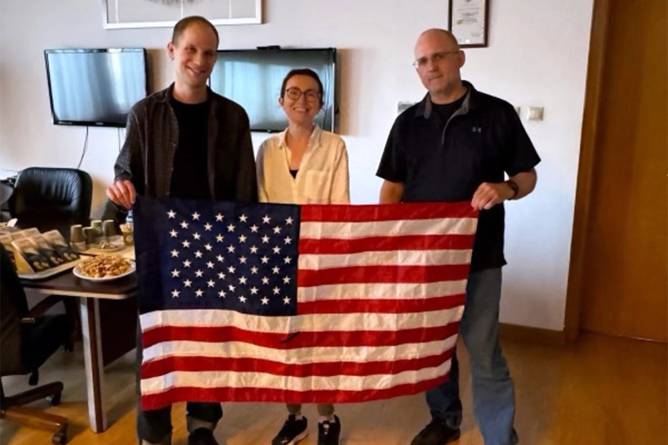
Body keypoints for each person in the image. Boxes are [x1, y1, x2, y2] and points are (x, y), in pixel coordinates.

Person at [376, 29, 540, 445]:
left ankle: (500, 436)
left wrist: (505, 189)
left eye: (439, 57)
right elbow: (392, 188)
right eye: (422, 61)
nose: (431, 67)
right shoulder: (407, 123)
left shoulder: (498, 114)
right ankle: (445, 420)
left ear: (460, 58)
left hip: (480, 257)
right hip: (423, 260)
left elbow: (527, 176)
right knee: (434, 348)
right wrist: (385, 241)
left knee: (484, 352)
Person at [106, 16, 257, 445]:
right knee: (156, 348)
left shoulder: (232, 117)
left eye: (208, 52)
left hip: (216, 248)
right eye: (190, 49)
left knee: (206, 341)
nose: (199, 60)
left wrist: (243, 249)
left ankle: (202, 424)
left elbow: (246, 189)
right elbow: (124, 169)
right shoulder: (145, 113)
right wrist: (121, 189)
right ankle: (153, 434)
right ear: (171, 50)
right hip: (160, 250)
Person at [256, 68, 349, 445]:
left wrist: (317, 250)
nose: (301, 100)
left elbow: (339, 207)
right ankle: (294, 418)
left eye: (311, 94)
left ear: (321, 103)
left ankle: (327, 419)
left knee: (320, 344)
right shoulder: (266, 149)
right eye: (293, 92)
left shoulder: (335, 146)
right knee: (287, 345)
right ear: (280, 101)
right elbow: (260, 205)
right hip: (276, 262)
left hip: (319, 261)